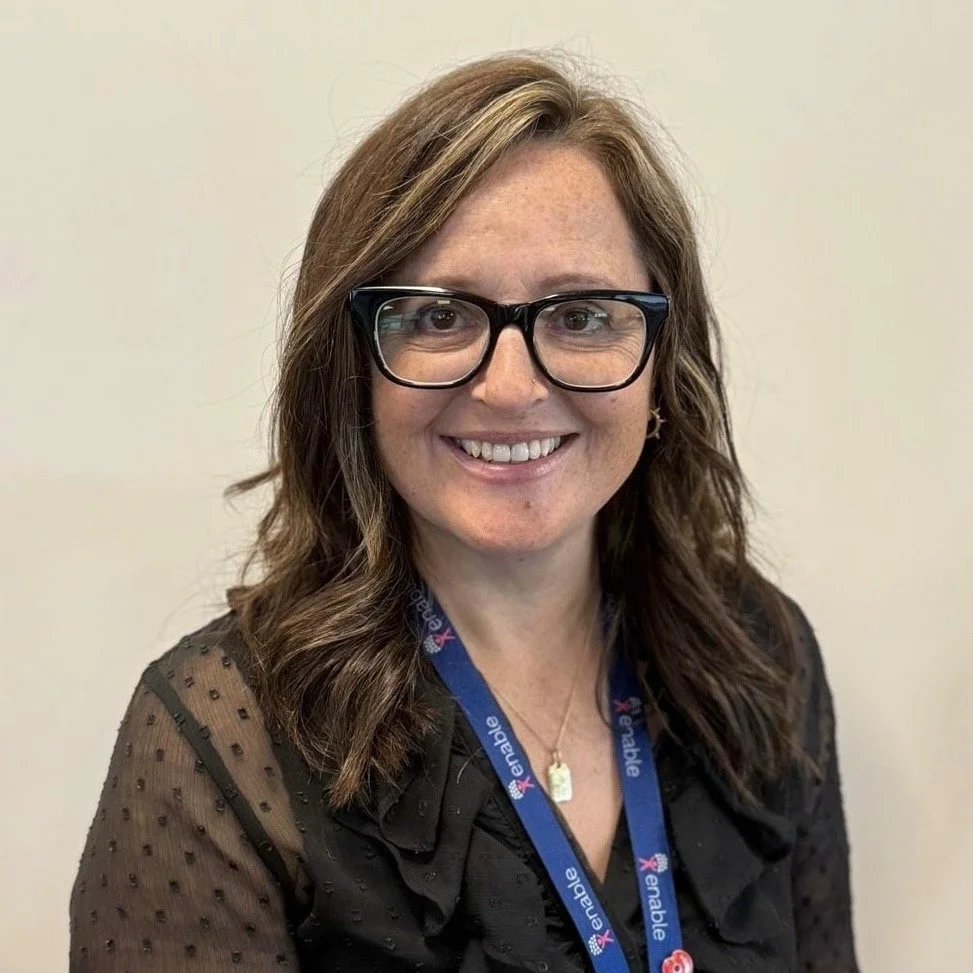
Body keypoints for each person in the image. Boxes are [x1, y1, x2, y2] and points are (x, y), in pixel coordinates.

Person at [69, 53, 860, 972]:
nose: (512, 387)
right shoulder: (217, 744)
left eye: (583, 314)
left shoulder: (762, 661)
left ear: (660, 369)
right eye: (440, 316)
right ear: (353, 370)